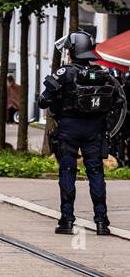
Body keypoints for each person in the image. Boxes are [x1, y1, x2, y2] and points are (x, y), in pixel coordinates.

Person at [38, 30, 122, 236]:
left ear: (73, 51)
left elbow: (43, 100)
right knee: (96, 174)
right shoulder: (103, 74)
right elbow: (119, 101)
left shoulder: (64, 73)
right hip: (95, 130)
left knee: (67, 172)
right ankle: (102, 222)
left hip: (68, 128)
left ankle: (67, 220)